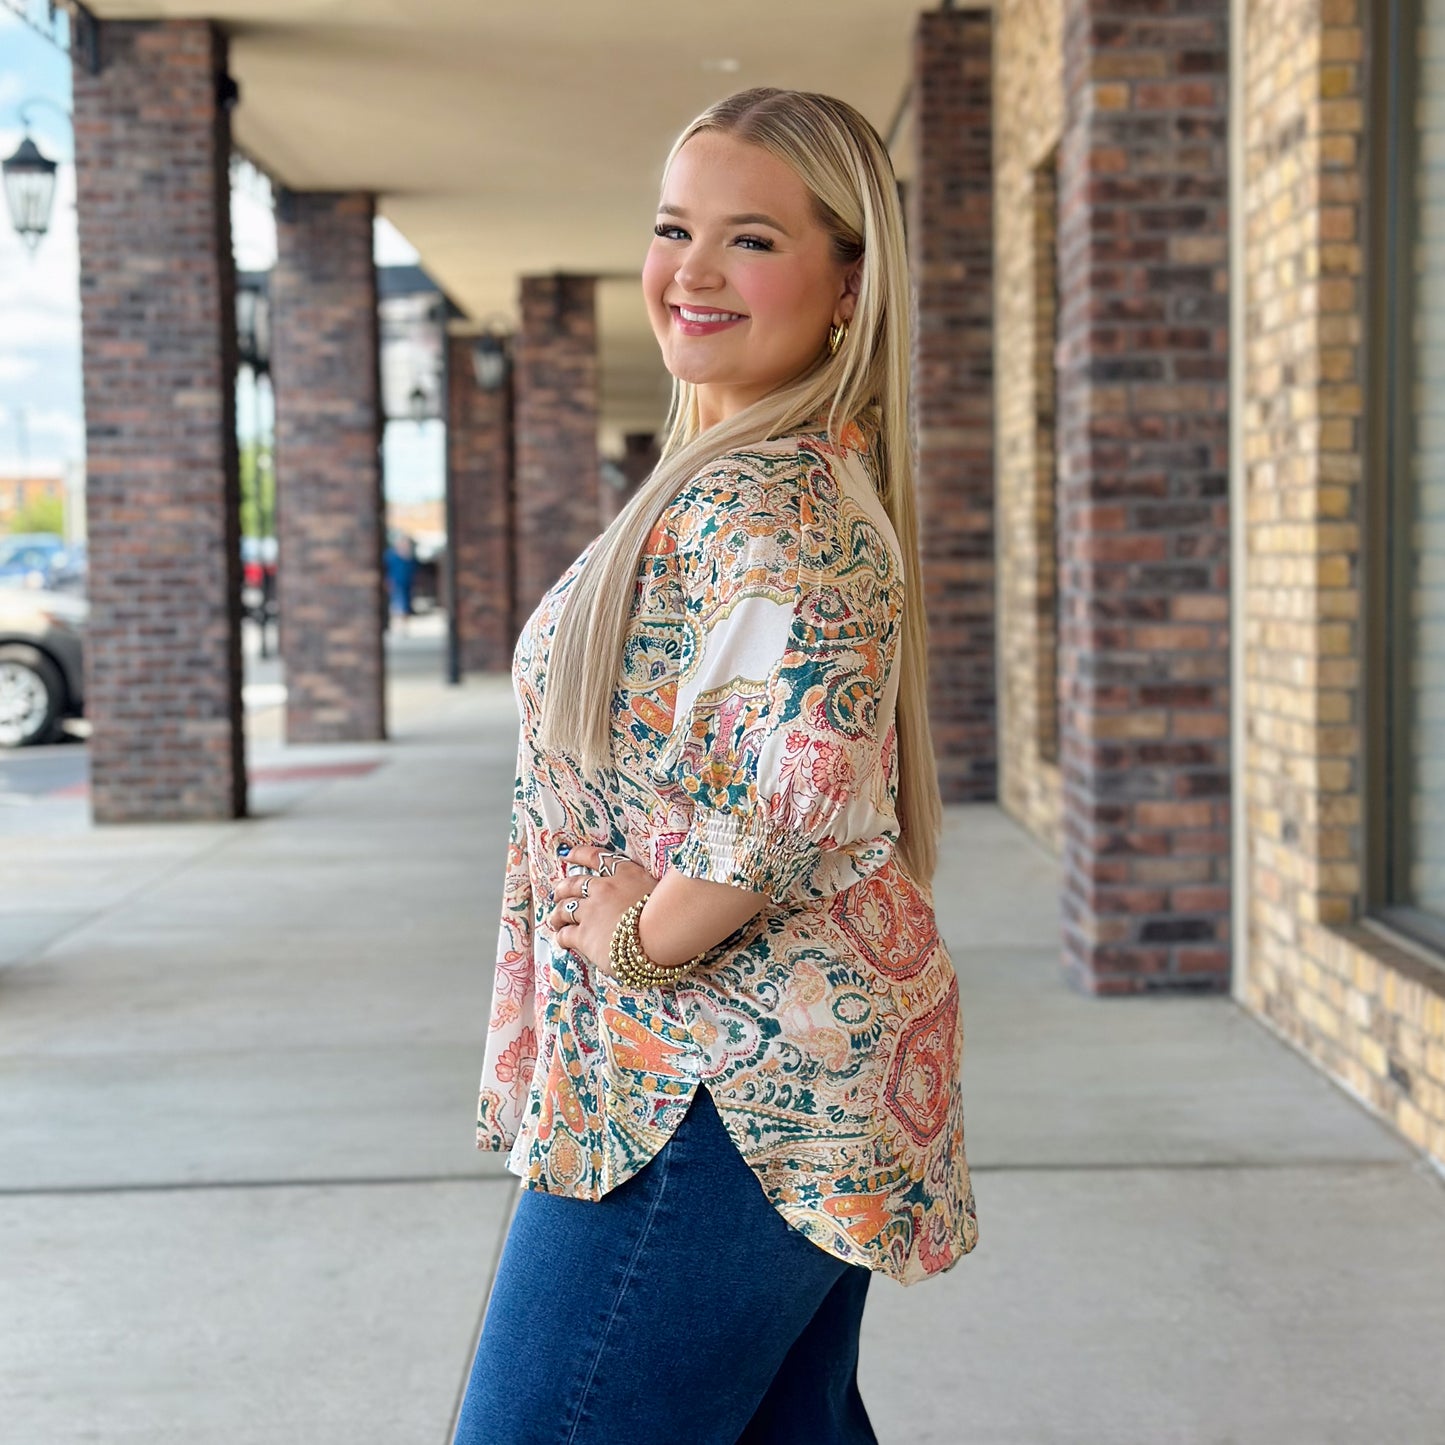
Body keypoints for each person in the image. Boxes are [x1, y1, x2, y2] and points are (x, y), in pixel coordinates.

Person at [453, 87, 978, 1445]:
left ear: (848, 282)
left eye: (748, 238)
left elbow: (776, 801)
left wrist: (635, 933)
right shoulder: (738, 479)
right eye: (673, 226)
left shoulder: (774, 500)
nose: (690, 269)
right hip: (729, 1078)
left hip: (713, 1089)